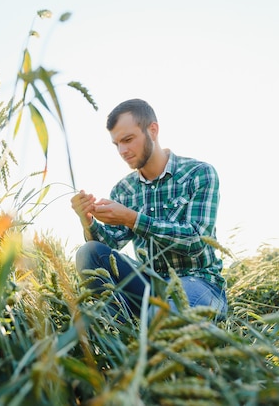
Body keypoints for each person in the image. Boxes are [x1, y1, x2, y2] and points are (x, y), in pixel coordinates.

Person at [70, 98, 227, 321]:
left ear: (152, 130)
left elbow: (197, 241)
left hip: (200, 283)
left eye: (128, 139)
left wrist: (134, 219)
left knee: (159, 317)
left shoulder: (199, 173)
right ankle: (116, 328)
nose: (122, 150)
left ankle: (149, 324)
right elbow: (109, 246)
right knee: (89, 252)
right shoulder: (123, 189)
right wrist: (88, 221)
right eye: (117, 144)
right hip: (148, 284)